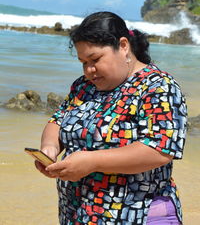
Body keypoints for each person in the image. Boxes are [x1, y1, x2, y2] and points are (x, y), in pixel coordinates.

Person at [35, 11, 187, 225]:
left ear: (123, 46)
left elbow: (160, 150)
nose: (89, 70)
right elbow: (58, 121)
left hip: (138, 213)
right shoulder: (84, 86)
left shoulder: (159, 87)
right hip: (80, 213)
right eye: (83, 62)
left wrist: (92, 162)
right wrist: (49, 149)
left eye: (95, 59)